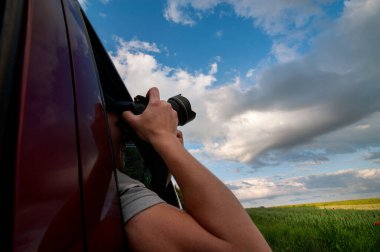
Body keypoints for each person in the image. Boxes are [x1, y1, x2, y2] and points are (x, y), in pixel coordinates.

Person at [116, 87, 271, 251]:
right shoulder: (119, 189)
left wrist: (167, 157)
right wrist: (164, 138)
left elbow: (156, 194)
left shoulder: (113, 185)